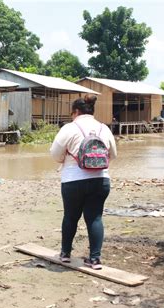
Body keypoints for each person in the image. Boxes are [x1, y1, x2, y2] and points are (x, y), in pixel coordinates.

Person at [50, 94, 117, 270]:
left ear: (75, 112)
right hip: (100, 180)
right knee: (95, 218)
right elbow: (113, 155)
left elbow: (55, 155)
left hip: (73, 180)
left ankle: (65, 254)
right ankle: (95, 259)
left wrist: (68, 158)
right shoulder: (104, 129)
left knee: (71, 216)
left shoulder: (69, 128)